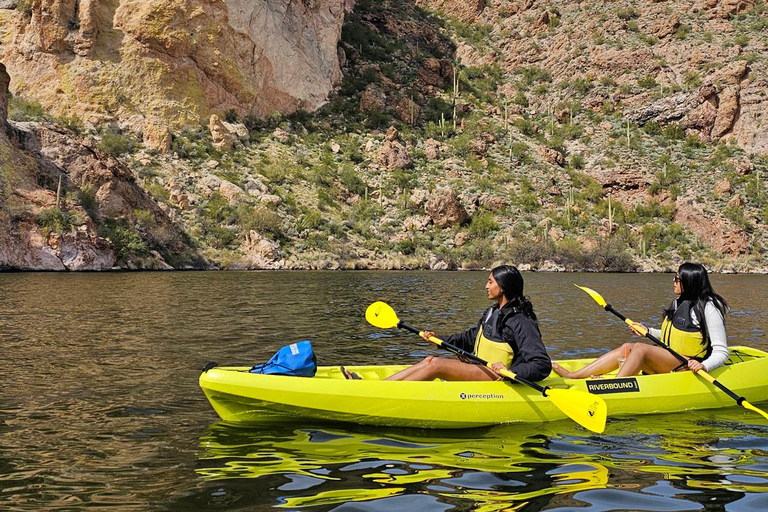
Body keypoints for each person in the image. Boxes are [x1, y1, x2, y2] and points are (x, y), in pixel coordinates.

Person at [552, 262, 729, 379]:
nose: (673, 281)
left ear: (689, 282)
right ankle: (574, 376)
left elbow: (722, 351)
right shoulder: (679, 302)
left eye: (677, 278)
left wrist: (704, 366)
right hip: (672, 358)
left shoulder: (709, 307)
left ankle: (613, 386)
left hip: (688, 365)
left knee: (640, 349)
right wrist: (649, 332)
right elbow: (675, 336)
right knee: (628, 347)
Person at [378, 265, 551, 382]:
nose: (486, 286)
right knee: (430, 359)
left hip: (499, 377)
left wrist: (514, 372)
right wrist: (440, 339)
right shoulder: (492, 312)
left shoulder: (521, 320)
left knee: (437, 364)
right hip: (481, 368)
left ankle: (381, 393)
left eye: (490, 282)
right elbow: (471, 339)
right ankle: (381, 387)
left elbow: (541, 364)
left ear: (503, 286)